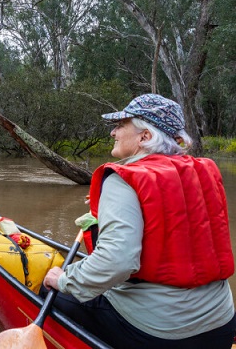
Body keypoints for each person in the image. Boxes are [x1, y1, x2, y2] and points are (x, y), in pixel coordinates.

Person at [42, 93, 236, 348]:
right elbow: (172, 224)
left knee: (50, 292)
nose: (113, 133)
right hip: (222, 324)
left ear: (145, 136)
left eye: (121, 125)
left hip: (162, 334)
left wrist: (64, 280)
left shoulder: (123, 180)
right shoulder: (203, 171)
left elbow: (117, 263)